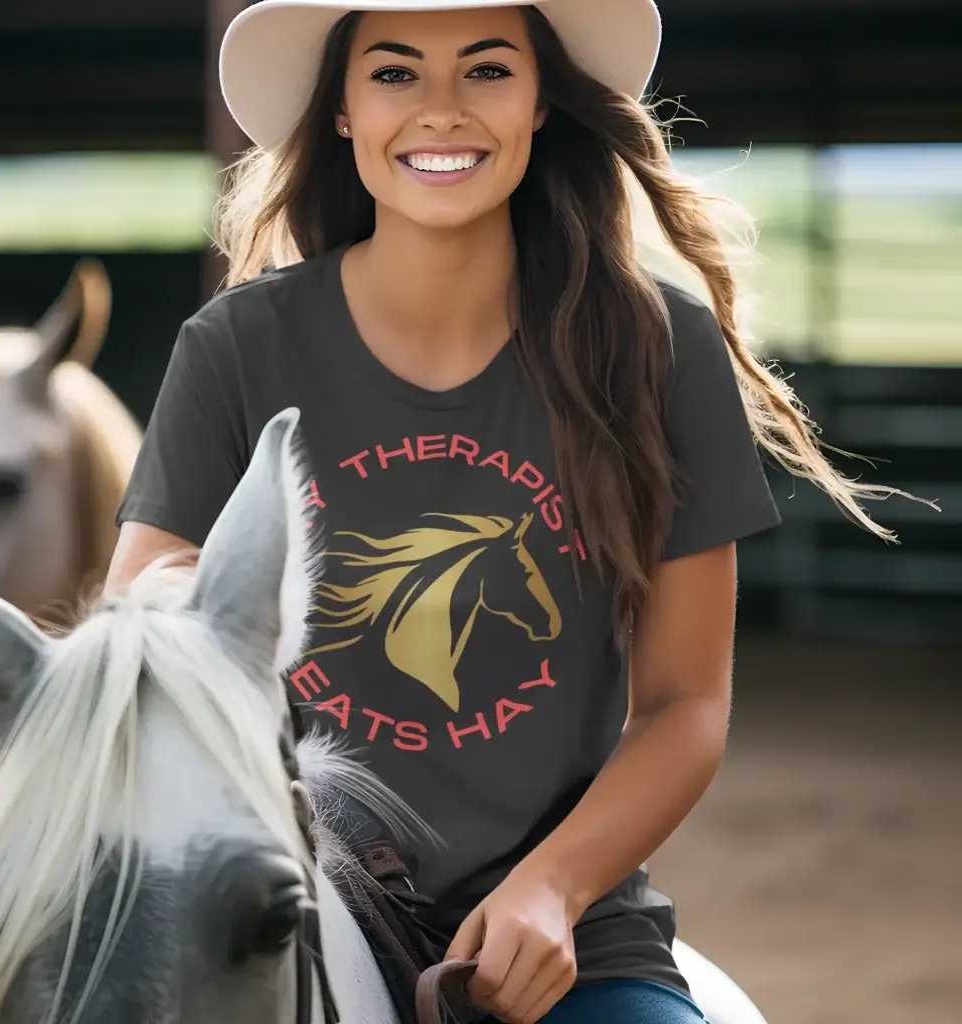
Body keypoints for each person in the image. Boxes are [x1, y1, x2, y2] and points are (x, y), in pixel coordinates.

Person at [108, 2, 895, 1021]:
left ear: (539, 103)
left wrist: (553, 886)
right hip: (269, 904)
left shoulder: (661, 349)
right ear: (341, 112)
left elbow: (683, 706)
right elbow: (144, 626)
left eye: (485, 70)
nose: (441, 110)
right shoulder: (234, 348)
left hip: (565, 934)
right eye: (394, 74)